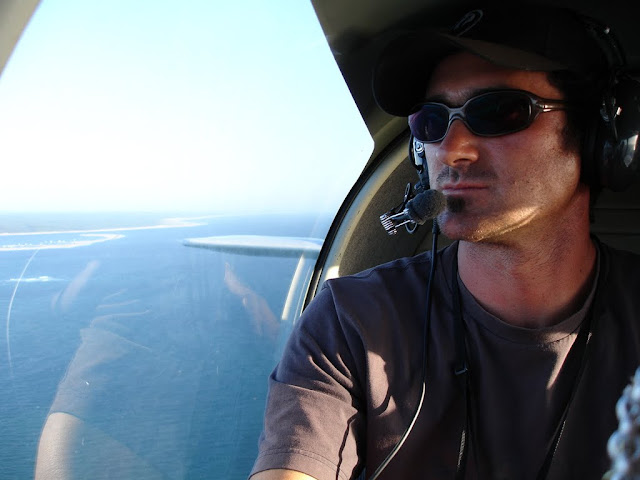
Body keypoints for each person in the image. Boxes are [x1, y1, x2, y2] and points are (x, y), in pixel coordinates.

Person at [249, 3, 640, 480]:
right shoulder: (351, 322)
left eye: (499, 112)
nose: (451, 150)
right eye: (431, 122)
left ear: (602, 137)